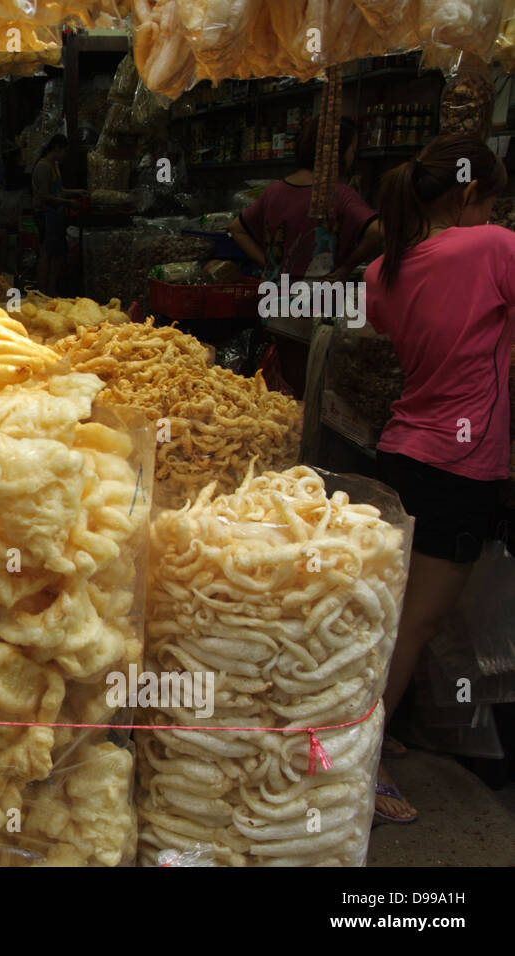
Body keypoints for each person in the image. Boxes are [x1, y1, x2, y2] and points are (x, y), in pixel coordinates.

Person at [364, 134, 515, 825]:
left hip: (400, 455)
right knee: (411, 629)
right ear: (469, 195)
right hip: (459, 467)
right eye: (493, 199)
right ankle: (355, 766)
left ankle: (371, 728)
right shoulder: (491, 248)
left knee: (389, 620)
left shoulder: (379, 273)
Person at [230, 117, 382, 283]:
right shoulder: (339, 194)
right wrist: (347, 267)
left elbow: (237, 229)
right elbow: (378, 231)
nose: (352, 157)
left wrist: (269, 265)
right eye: (352, 151)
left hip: (275, 297)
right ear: (338, 153)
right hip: (319, 300)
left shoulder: (274, 191)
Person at [31, 135, 84, 295]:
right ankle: (43, 291)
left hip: (56, 215)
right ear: (56, 148)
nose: (64, 156)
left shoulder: (54, 166)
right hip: (46, 214)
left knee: (58, 254)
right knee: (47, 253)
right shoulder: (43, 167)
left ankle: (51, 289)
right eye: (64, 151)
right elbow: (45, 196)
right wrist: (69, 203)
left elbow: (59, 190)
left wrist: (77, 192)